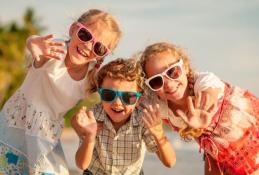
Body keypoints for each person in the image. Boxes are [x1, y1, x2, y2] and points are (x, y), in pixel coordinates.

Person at [0, 9, 122, 175]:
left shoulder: (91, 78)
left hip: (46, 132)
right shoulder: (54, 51)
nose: (88, 45)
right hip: (18, 120)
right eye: (85, 35)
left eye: (99, 47)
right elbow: (35, 44)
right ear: (73, 30)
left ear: (102, 56)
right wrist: (32, 43)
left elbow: (114, 93)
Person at [140, 42, 259, 175]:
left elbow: (209, 94)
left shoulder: (203, 81)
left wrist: (204, 109)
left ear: (184, 67)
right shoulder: (161, 106)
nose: (168, 83)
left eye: (173, 72)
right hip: (219, 152)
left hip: (251, 136)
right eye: (157, 81)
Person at [72, 58, 176, 175]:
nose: (117, 102)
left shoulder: (143, 119)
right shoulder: (93, 117)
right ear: (100, 94)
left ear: (138, 100)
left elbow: (170, 162)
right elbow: (81, 164)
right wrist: (89, 137)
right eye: (109, 94)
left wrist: (159, 134)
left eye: (128, 97)